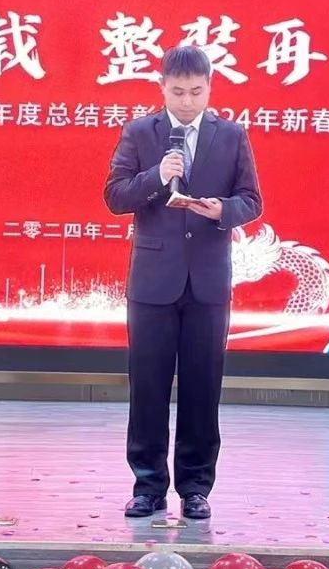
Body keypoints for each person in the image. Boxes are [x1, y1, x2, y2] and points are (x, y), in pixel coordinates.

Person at [104, 45, 263, 520]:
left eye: (196, 91)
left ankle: (196, 488)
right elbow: (115, 196)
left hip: (208, 283)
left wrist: (222, 210)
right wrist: (157, 175)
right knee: (147, 388)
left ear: (210, 88)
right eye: (178, 92)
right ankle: (148, 486)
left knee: (202, 387)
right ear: (162, 87)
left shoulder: (231, 135)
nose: (187, 101)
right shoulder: (140, 132)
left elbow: (251, 200)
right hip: (152, 282)